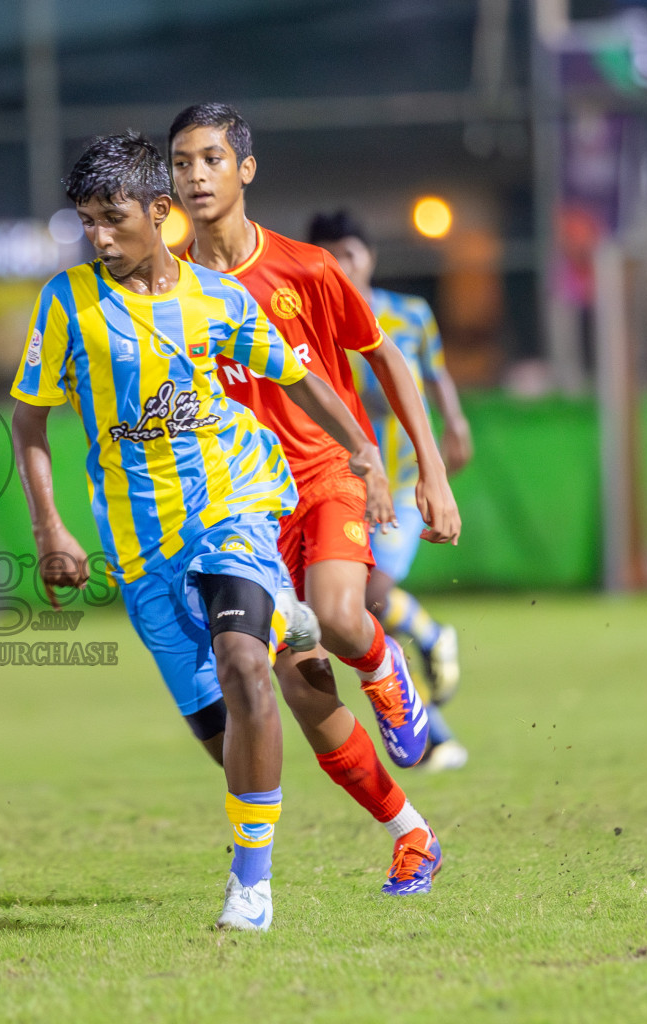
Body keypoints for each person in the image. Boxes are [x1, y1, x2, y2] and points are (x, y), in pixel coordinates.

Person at [11, 131, 394, 931]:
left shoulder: (219, 301)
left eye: (112, 218)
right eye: (86, 221)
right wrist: (51, 528)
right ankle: (288, 621)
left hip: (232, 512)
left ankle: (251, 886)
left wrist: (361, 448)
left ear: (160, 212)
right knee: (227, 741)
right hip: (139, 546)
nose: (99, 236)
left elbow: (301, 374)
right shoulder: (65, 302)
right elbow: (29, 425)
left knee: (247, 668)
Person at [169, 103, 461, 894]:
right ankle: (412, 834)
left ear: (245, 170)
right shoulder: (168, 287)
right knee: (301, 690)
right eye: (183, 162)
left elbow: (389, 361)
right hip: (241, 512)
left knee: (338, 614)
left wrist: (428, 471)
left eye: (212, 159)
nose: (196, 175)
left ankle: (387, 665)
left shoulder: (306, 269)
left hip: (328, 475)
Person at [308, 209, 472, 772]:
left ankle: (428, 638)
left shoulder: (409, 314)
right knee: (341, 616)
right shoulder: (308, 317)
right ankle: (436, 732)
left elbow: (434, 374)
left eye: (350, 253)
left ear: (371, 255)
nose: (342, 265)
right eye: (330, 255)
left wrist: (455, 425)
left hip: (398, 482)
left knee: (362, 599)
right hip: (333, 481)